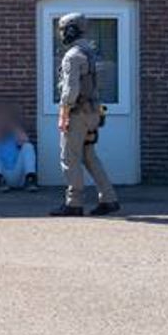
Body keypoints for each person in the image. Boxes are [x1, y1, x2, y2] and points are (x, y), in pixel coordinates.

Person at [51, 13, 120, 216]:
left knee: (69, 157)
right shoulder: (91, 53)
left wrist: (63, 114)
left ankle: (74, 203)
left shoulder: (73, 56)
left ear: (71, 30)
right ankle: (109, 198)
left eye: (63, 30)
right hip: (93, 114)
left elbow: (70, 90)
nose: (62, 34)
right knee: (90, 157)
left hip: (77, 114)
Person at [0, 106, 38, 192]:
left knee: (28, 146)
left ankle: (30, 179)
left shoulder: (15, 134)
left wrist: (12, 126)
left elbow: (26, 139)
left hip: (17, 176)